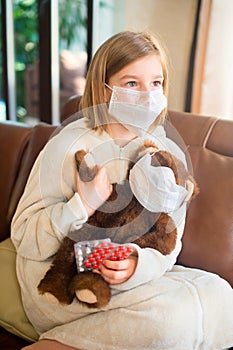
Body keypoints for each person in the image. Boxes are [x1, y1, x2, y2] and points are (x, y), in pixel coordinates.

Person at [11, 31, 233, 350]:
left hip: (126, 280)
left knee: (222, 297)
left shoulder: (164, 151)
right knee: (171, 321)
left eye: (156, 83)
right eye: (131, 83)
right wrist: (81, 204)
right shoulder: (68, 146)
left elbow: (169, 241)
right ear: (104, 89)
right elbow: (25, 239)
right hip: (60, 280)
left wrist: (135, 266)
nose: (148, 95)